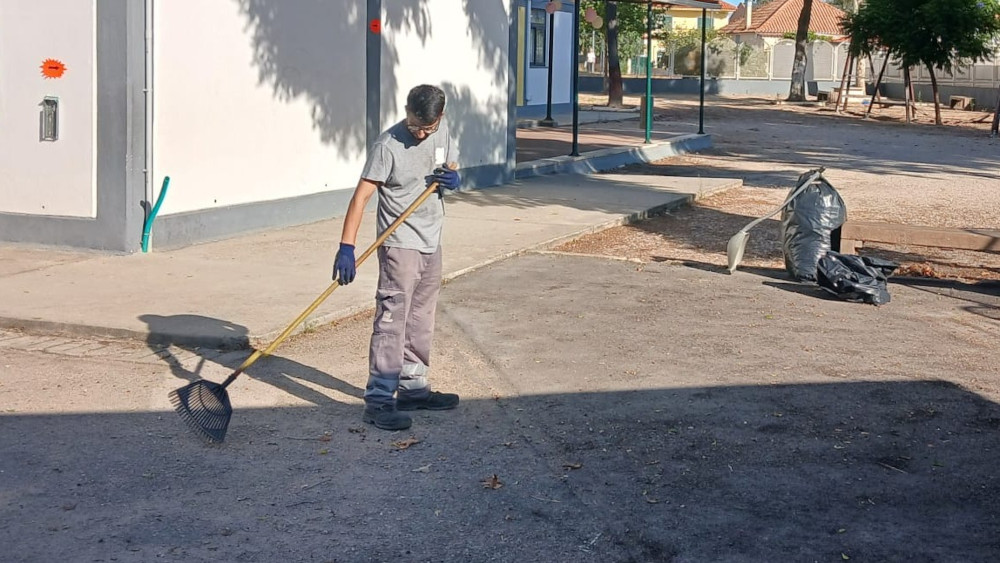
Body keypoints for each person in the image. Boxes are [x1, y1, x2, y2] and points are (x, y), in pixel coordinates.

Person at [333, 84, 461, 431]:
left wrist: (454, 179)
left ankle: (413, 389)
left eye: (427, 128)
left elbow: (450, 165)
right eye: (415, 124)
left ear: (440, 117)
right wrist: (347, 247)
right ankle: (378, 400)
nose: (419, 133)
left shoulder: (442, 131)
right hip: (399, 245)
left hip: (431, 241)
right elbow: (361, 197)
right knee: (392, 321)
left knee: (421, 318)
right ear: (406, 111)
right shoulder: (387, 145)